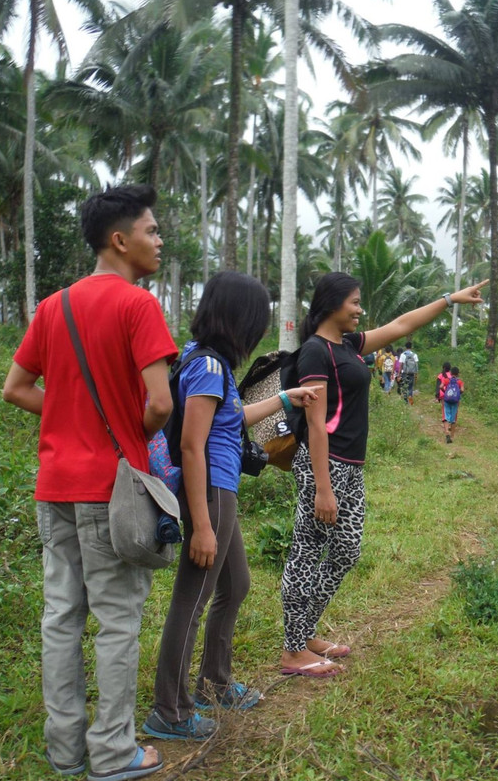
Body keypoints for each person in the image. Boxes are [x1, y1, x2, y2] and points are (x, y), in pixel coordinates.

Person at [3, 185, 176, 781]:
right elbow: (160, 402)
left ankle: (65, 750)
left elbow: (16, 388)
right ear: (120, 240)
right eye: (152, 231)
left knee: (62, 617)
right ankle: (112, 751)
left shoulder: (53, 307)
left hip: (54, 485)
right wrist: (131, 428)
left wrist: (65, 417)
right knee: (118, 618)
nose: (159, 240)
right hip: (112, 488)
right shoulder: (137, 305)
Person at [279, 274, 488, 677]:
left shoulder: (348, 345)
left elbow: (401, 326)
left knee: (346, 551)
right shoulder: (314, 353)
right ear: (332, 304)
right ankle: (292, 650)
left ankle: (305, 634)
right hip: (326, 466)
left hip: (351, 468)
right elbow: (317, 424)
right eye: (354, 302)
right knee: (306, 553)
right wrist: (323, 487)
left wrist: (449, 299)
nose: (360, 310)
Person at [144, 272, 318, 741]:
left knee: (235, 583)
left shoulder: (207, 362)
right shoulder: (209, 367)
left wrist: (283, 398)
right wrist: (201, 524)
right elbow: (191, 446)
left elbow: (229, 417)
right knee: (192, 599)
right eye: (257, 319)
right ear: (238, 318)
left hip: (221, 493)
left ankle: (214, 684)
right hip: (213, 495)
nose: (259, 330)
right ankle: (170, 710)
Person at [440, 367, 465, 444]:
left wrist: (445, 392)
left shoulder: (447, 380)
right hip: (455, 402)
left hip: (447, 400)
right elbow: (462, 390)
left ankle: (447, 432)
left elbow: (440, 386)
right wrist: (457, 394)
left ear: (450, 373)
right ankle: (452, 436)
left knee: (446, 416)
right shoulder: (460, 382)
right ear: (458, 374)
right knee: (453, 418)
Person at [434, 361, 452, 435]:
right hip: (451, 394)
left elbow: (438, 387)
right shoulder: (452, 375)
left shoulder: (440, 375)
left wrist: (437, 396)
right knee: (450, 409)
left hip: (443, 394)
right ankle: (450, 424)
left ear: (443, 368)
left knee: (445, 410)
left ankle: (446, 427)